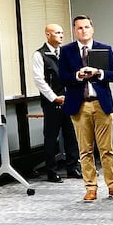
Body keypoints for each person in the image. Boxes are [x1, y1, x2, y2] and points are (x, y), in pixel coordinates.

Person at [57, 14, 113, 202]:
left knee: (107, 149)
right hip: (80, 106)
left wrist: (99, 72)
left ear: (92, 29)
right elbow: (61, 77)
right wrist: (78, 76)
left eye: (87, 27)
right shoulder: (66, 51)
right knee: (85, 150)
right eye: (79, 28)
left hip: (101, 104)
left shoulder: (104, 49)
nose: (84, 30)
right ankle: (90, 187)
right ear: (74, 31)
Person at [29, 23, 78, 183]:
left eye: (62, 32)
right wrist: (54, 97)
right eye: (57, 33)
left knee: (71, 135)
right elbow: (39, 80)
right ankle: (51, 171)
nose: (61, 35)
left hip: (68, 100)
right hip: (51, 102)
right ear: (48, 35)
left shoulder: (65, 53)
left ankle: (72, 168)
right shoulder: (40, 55)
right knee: (51, 137)